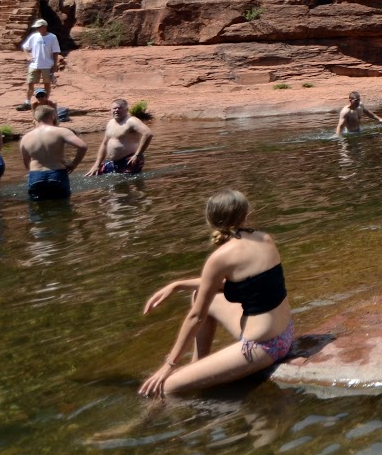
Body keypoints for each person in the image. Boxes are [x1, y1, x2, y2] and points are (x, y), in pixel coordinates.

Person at [138, 189, 294, 397]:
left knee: (165, 387)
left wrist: (169, 364)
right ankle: (199, 365)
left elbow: (196, 317)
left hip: (263, 347)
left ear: (210, 221)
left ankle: (144, 420)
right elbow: (241, 286)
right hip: (285, 333)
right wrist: (177, 285)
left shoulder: (220, 258)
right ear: (246, 213)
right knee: (199, 296)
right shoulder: (264, 239)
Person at [20, 104, 88, 200]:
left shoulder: (26, 137)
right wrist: (74, 164)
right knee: (63, 207)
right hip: (57, 173)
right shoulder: (61, 131)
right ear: (52, 116)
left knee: (36, 210)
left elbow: (26, 163)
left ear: (36, 118)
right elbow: (83, 146)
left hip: (36, 176)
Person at [90, 98, 153, 175]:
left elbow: (148, 134)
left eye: (120, 108)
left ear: (127, 109)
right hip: (114, 162)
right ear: (111, 110)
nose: (116, 110)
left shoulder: (131, 121)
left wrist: (137, 154)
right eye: (114, 108)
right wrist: (97, 164)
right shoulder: (110, 123)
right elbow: (104, 144)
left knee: (131, 185)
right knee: (94, 175)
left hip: (130, 160)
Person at [19, 19, 62, 110]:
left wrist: (54, 65)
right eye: (37, 27)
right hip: (34, 64)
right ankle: (27, 102)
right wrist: (28, 56)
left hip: (47, 65)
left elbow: (55, 52)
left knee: (47, 84)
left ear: (44, 27)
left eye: (39, 27)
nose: (38, 29)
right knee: (30, 83)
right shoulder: (34, 36)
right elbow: (25, 47)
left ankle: (45, 102)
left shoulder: (52, 37)